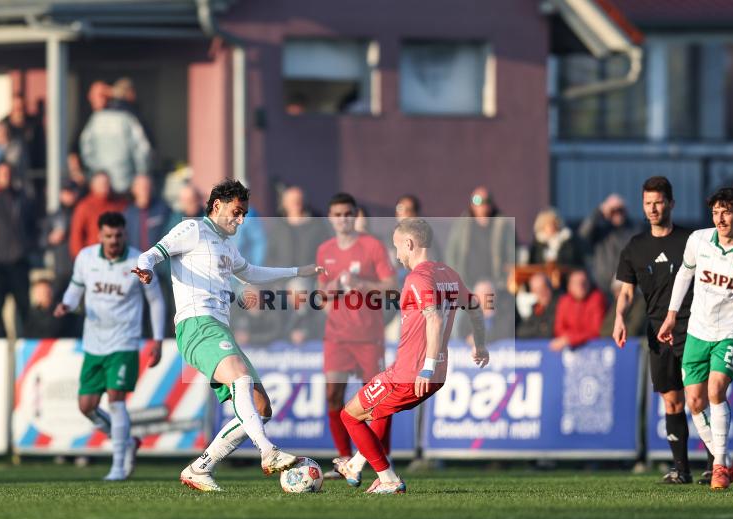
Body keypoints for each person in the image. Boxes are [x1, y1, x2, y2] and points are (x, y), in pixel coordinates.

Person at [132, 178, 322, 491]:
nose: (241, 219)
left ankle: (200, 468)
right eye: (236, 211)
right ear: (217, 205)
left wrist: (297, 272)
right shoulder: (192, 229)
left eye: (245, 213)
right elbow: (152, 253)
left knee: (261, 408)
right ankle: (268, 451)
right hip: (196, 324)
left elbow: (251, 273)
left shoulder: (226, 243)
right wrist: (146, 269)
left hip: (219, 329)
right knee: (240, 377)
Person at [333, 218, 490, 493]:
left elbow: (435, 320)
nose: (396, 255)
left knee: (349, 416)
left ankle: (389, 479)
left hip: (412, 373)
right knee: (379, 412)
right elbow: (475, 308)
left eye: (397, 247)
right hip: (432, 374)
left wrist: (426, 368)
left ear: (409, 243)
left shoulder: (418, 277)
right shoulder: (448, 273)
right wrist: (480, 345)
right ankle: (357, 465)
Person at [658, 186, 733, 490]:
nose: (720, 218)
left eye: (726, 212)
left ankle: (719, 467)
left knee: (716, 390)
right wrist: (671, 315)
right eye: (715, 212)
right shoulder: (698, 240)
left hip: (732, 333)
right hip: (698, 329)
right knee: (694, 402)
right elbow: (684, 275)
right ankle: (729, 461)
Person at [54, 211, 166, 481]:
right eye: (108, 236)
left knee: (116, 401)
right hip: (93, 343)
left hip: (124, 342)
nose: (113, 240)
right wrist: (66, 304)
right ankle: (127, 442)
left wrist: (158, 340)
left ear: (124, 234)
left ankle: (118, 465)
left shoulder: (139, 262)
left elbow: (156, 301)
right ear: (99, 236)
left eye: (118, 235)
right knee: (86, 406)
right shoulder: (86, 258)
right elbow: (75, 288)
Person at [613, 176, 702, 484]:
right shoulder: (635, 247)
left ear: (671, 204)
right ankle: (682, 469)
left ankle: (718, 466)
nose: (653, 209)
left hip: (693, 327)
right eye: (648, 203)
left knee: (699, 398)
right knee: (672, 401)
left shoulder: (691, 242)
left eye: (658, 202)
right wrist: (619, 318)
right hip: (657, 332)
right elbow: (626, 291)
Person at [316, 193, 396, 479]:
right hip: (337, 336)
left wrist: (361, 284)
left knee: (377, 401)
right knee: (332, 394)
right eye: (337, 214)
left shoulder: (371, 246)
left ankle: (379, 461)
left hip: (368, 335)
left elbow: (391, 286)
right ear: (330, 218)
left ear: (355, 214)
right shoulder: (324, 249)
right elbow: (321, 293)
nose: (343, 219)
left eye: (348, 213)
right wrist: (333, 288)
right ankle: (345, 459)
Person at [0, 162, 35, 337]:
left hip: (19, 259)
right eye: (2, 173)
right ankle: (0, 339)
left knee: (24, 305)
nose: (6, 177)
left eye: (8, 173)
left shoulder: (21, 197)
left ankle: (25, 339)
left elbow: (31, 224)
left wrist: (28, 246)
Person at [79, 83, 152, 193]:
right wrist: (141, 172)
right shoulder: (129, 118)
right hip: (126, 182)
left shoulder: (94, 120)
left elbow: (86, 150)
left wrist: (96, 173)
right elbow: (143, 149)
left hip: (105, 184)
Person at [445, 186, 516, 293]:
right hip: (466, 285)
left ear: (492, 203)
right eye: (477, 200)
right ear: (471, 204)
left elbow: (512, 254)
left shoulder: (503, 225)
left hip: (496, 286)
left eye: (486, 201)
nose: (482, 205)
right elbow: (451, 253)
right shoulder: (462, 225)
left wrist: (507, 277)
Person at [579, 193, 640, 293]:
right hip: (603, 286)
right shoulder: (600, 230)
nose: (617, 214)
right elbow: (583, 235)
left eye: (620, 210)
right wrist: (600, 211)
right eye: (613, 211)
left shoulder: (634, 229)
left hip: (626, 286)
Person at [68, 172, 129, 260]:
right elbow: (76, 236)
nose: (104, 186)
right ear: (93, 186)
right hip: (93, 258)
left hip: (118, 256)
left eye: (106, 183)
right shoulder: (84, 206)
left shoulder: (119, 204)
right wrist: (81, 259)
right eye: (101, 184)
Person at [550, 269, 607, 351]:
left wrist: (570, 339)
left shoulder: (597, 299)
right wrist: (569, 338)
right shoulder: (564, 301)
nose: (581, 286)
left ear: (589, 284)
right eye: (576, 283)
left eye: (584, 282)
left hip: (594, 349)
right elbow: (559, 329)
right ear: (569, 286)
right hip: (572, 350)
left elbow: (597, 330)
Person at [43, 182, 81, 299]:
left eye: (71, 193)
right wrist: (50, 239)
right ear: (61, 195)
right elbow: (41, 241)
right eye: (66, 193)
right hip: (60, 269)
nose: (68, 196)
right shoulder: (54, 216)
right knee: (59, 302)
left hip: (80, 268)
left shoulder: (81, 214)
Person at [124, 175, 171, 252]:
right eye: (141, 187)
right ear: (133, 189)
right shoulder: (128, 214)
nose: (145, 190)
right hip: (136, 261)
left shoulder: (163, 209)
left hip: (160, 260)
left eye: (147, 186)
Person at [516, 272, 558, 339]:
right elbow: (521, 331)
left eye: (543, 287)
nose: (541, 292)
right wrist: (540, 327)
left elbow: (549, 332)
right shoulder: (537, 307)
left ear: (550, 287)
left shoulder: (561, 305)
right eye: (536, 290)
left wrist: (537, 328)